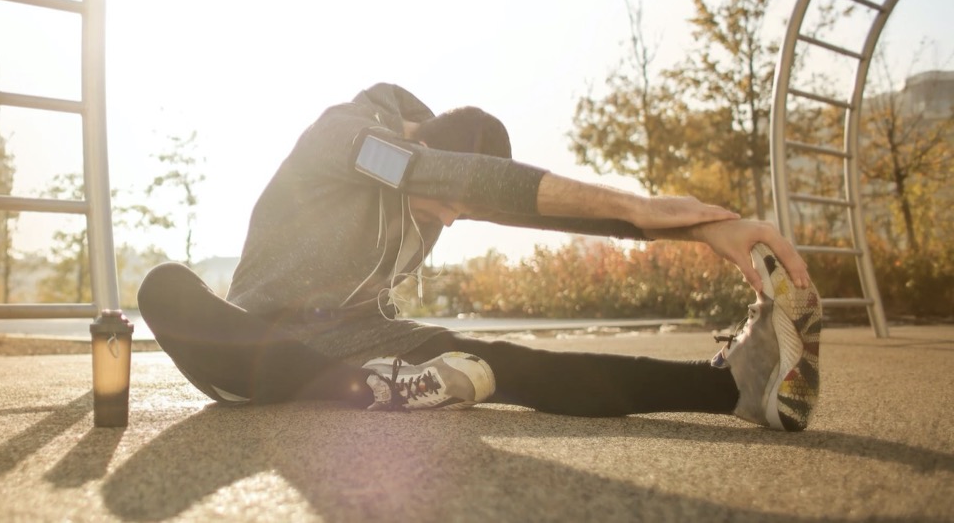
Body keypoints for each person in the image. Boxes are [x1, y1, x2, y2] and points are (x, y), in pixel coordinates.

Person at [137, 83, 822, 431]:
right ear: (422, 148)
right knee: (164, 287)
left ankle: (732, 389)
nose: (453, 219)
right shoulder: (348, 137)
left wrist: (701, 230)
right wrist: (643, 208)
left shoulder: (437, 177)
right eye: (451, 203)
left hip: (365, 343)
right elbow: (459, 182)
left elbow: (525, 203)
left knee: (511, 362)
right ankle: (372, 389)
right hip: (251, 350)